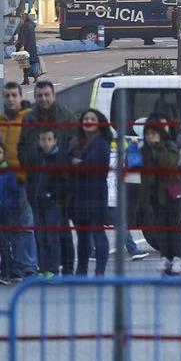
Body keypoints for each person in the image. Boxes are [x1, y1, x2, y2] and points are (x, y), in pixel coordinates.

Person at [19, 81, 75, 274]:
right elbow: (22, 147)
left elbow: (74, 143)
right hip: (37, 183)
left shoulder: (65, 116)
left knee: (63, 230)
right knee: (41, 232)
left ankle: (67, 268)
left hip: (61, 183)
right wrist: (32, 162)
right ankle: (46, 269)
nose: (43, 98)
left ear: (53, 95)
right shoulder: (30, 119)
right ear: (35, 97)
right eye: (39, 95)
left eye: (47, 94)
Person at [68, 109, 112, 276]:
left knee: (98, 232)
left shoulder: (101, 143)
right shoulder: (76, 141)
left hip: (95, 195)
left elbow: (91, 166)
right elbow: (67, 162)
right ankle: (81, 270)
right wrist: (77, 163)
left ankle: (100, 271)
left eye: (92, 118)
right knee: (82, 236)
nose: (88, 121)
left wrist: (77, 163)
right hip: (77, 195)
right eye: (85, 118)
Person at [140, 121, 181, 276]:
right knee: (161, 228)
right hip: (156, 195)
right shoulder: (146, 151)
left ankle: (177, 259)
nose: (150, 137)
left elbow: (169, 164)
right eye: (147, 134)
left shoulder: (170, 146)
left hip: (173, 192)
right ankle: (165, 257)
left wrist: (157, 148)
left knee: (174, 227)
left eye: (153, 133)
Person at [0, 83, 36, 279]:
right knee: (11, 225)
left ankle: (29, 266)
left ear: (21, 96)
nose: (11, 99)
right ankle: (16, 266)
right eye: (7, 95)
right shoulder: (2, 120)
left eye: (14, 95)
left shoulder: (29, 119)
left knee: (25, 225)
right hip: (6, 181)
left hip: (25, 179)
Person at [28, 128, 67, 277]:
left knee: (52, 238)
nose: (46, 143)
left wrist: (53, 196)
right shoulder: (35, 157)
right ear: (39, 140)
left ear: (55, 140)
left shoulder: (59, 158)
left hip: (52, 205)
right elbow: (30, 179)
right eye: (43, 139)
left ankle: (53, 269)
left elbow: (64, 181)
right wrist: (31, 196)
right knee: (40, 237)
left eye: (49, 139)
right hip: (37, 204)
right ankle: (42, 268)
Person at [0, 142, 35, 282]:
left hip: (4, 211)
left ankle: (7, 270)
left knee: (4, 241)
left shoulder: (8, 173)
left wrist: (4, 203)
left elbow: (12, 192)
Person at [15, 12, 42, 85]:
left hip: (26, 48)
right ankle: (32, 77)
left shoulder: (25, 26)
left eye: (21, 18)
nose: (20, 20)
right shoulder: (31, 25)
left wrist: (19, 46)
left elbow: (23, 38)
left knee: (25, 64)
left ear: (24, 18)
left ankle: (27, 78)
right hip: (31, 48)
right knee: (30, 63)